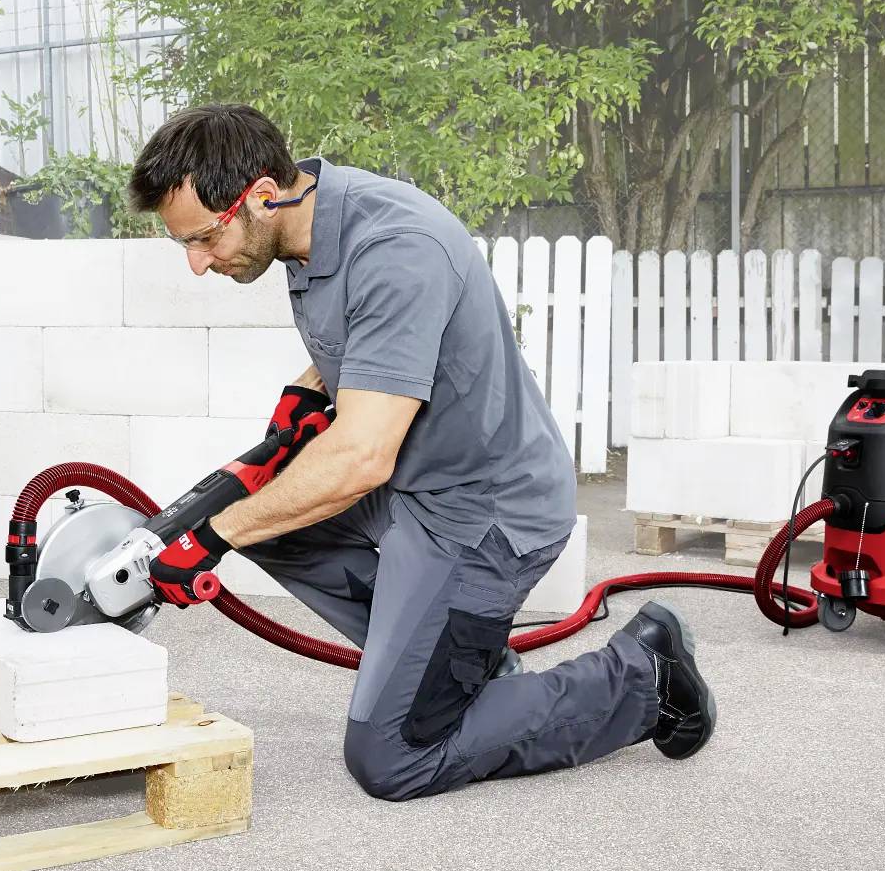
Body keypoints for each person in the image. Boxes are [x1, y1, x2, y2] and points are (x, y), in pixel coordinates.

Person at [128, 104, 715, 801]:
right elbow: (372, 336)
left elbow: (361, 458)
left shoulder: (396, 247)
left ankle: (645, 675)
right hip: (415, 481)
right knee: (270, 518)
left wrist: (211, 538)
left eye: (203, 238)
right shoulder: (303, 227)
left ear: (261, 194)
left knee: (392, 755)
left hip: (486, 510)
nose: (198, 263)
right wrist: (305, 392)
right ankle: (459, 664)